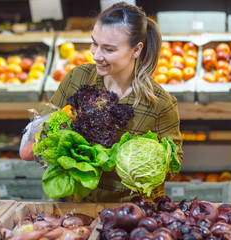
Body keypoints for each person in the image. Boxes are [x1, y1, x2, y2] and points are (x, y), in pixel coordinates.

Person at [21, 2, 183, 202]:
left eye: (108, 49)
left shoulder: (160, 104)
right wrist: (41, 131)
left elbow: (173, 163)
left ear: (136, 50)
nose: (96, 55)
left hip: (131, 215)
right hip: (77, 209)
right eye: (94, 43)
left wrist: (137, 164)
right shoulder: (78, 78)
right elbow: (37, 138)